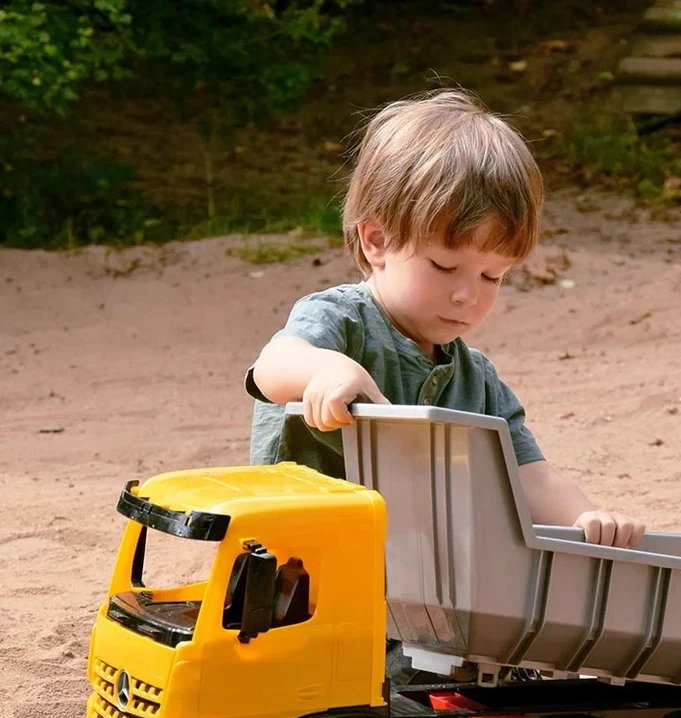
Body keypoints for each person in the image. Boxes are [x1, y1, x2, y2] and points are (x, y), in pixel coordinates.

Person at [246, 88, 645, 550]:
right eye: (443, 267)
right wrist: (327, 369)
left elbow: (528, 474)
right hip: (293, 558)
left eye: (492, 276)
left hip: (406, 571)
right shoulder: (341, 321)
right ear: (377, 241)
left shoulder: (477, 380)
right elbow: (272, 367)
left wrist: (587, 517)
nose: (466, 295)